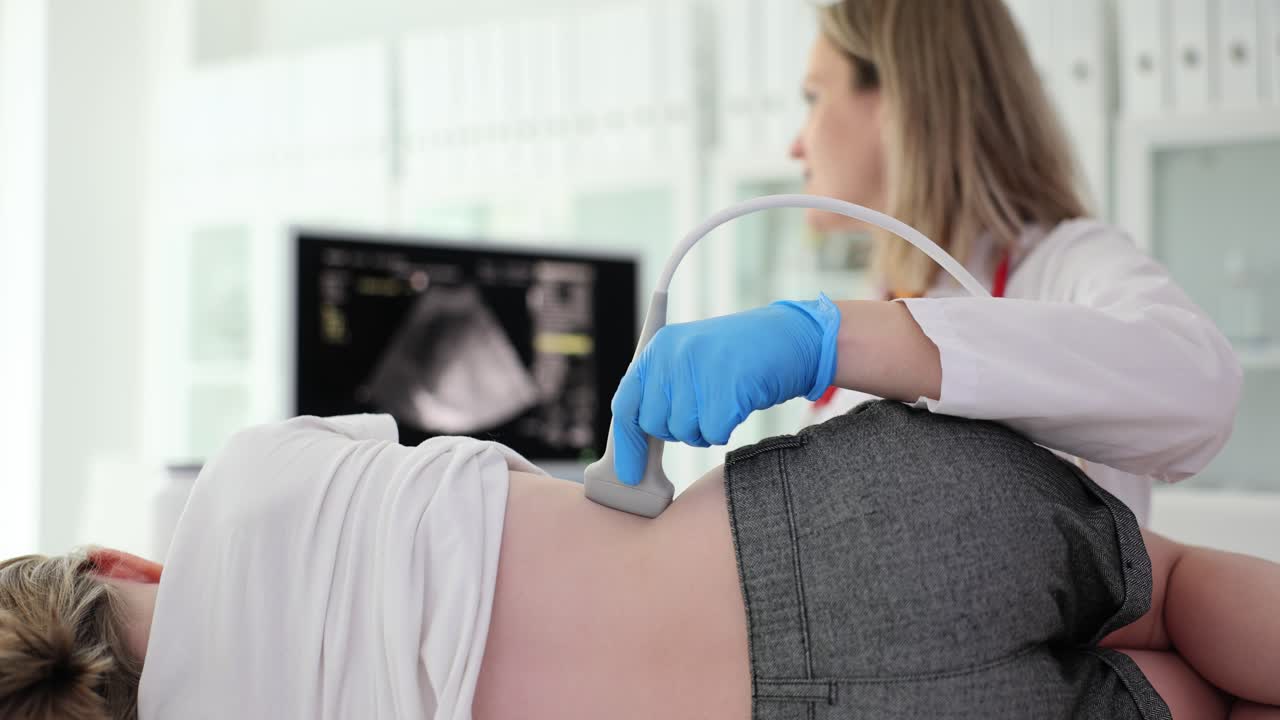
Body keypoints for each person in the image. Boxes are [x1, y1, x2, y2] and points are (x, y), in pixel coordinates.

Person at [2, 404, 1279, 718]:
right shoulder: (248, 476)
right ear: (117, 558)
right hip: (835, 522)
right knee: (1171, 589)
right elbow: (517, 486)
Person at [608, 0, 1242, 528]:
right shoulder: (889, 292)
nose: (796, 143)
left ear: (898, 102)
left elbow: (1202, 391)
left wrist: (827, 341)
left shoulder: (1064, 264)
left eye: (814, 97)